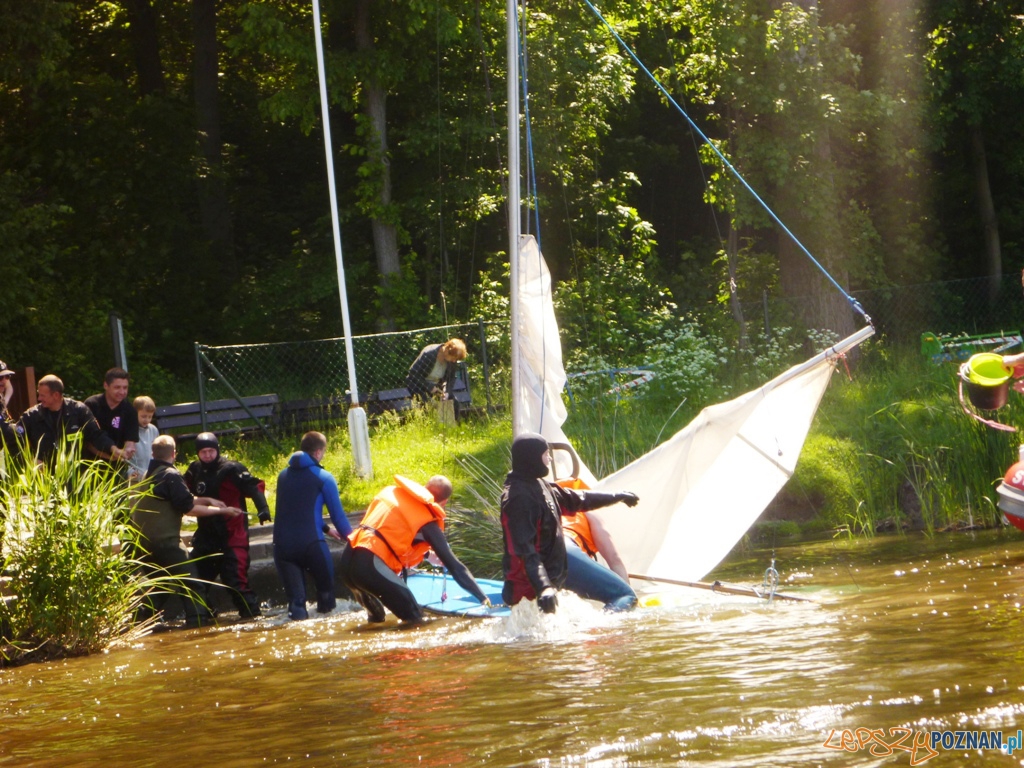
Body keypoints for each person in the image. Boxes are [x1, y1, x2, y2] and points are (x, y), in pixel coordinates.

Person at [500, 432, 639, 614]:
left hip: (554, 567)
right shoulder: (517, 499)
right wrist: (544, 587)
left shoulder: (539, 486)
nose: (549, 458)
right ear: (532, 458)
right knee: (625, 595)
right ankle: (601, 635)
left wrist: (617, 496)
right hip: (533, 580)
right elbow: (526, 551)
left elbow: (579, 498)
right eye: (545, 454)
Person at [340, 474, 491, 624]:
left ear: (424, 488)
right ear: (444, 503)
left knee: (377, 618)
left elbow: (387, 535)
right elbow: (455, 567)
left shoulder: (393, 493)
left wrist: (426, 555)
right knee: (415, 617)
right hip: (369, 565)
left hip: (347, 559)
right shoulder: (428, 522)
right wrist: (483, 598)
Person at [130, 435, 242, 629]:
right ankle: (198, 627)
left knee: (161, 586)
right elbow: (188, 508)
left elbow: (178, 498)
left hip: (143, 546)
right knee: (192, 585)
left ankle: (138, 625)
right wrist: (224, 510)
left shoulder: (146, 475)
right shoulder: (170, 475)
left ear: (152, 454)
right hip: (165, 544)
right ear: (174, 454)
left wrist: (207, 499)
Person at [184, 431, 272, 619]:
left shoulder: (231, 469)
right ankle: (208, 616)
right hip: (206, 537)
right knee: (193, 580)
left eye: (211, 451)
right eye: (203, 452)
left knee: (235, 581)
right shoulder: (194, 470)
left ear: (217, 450)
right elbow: (182, 493)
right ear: (198, 453)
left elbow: (254, 487)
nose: (207, 455)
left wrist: (263, 508)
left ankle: (253, 618)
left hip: (233, 536)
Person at [273, 431, 353, 620]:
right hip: (312, 545)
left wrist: (326, 529)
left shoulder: (283, 476)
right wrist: (353, 539)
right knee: (326, 597)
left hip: (283, 548)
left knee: (296, 603)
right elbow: (338, 517)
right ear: (318, 452)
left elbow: (296, 511)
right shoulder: (324, 477)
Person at [13, 374, 121, 465]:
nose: (39, 399)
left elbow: (96, 435)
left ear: (56, 395)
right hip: (44, 476)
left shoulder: (79, 410)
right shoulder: (32, 415)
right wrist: (32, 460)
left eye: (42, 395)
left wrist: (112, 448)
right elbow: (15, 439)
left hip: (74, 474)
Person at [84, 367, 139, 468]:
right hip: (91, 463)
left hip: (118, 465)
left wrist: (128, 450)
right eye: (117, 387)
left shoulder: (130, 410)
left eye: (125, 388)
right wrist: (109, 455)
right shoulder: (92, 405)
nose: (122, 392)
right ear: (106, 385)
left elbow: (130, 439)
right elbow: (88, 441)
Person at [128, 395, 159, 482]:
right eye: (143, 416)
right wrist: (130, 471)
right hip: (135, 474)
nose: (147, 420)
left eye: (150, 417)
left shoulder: (153, 429)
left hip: (150, 473)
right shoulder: (129, 430)